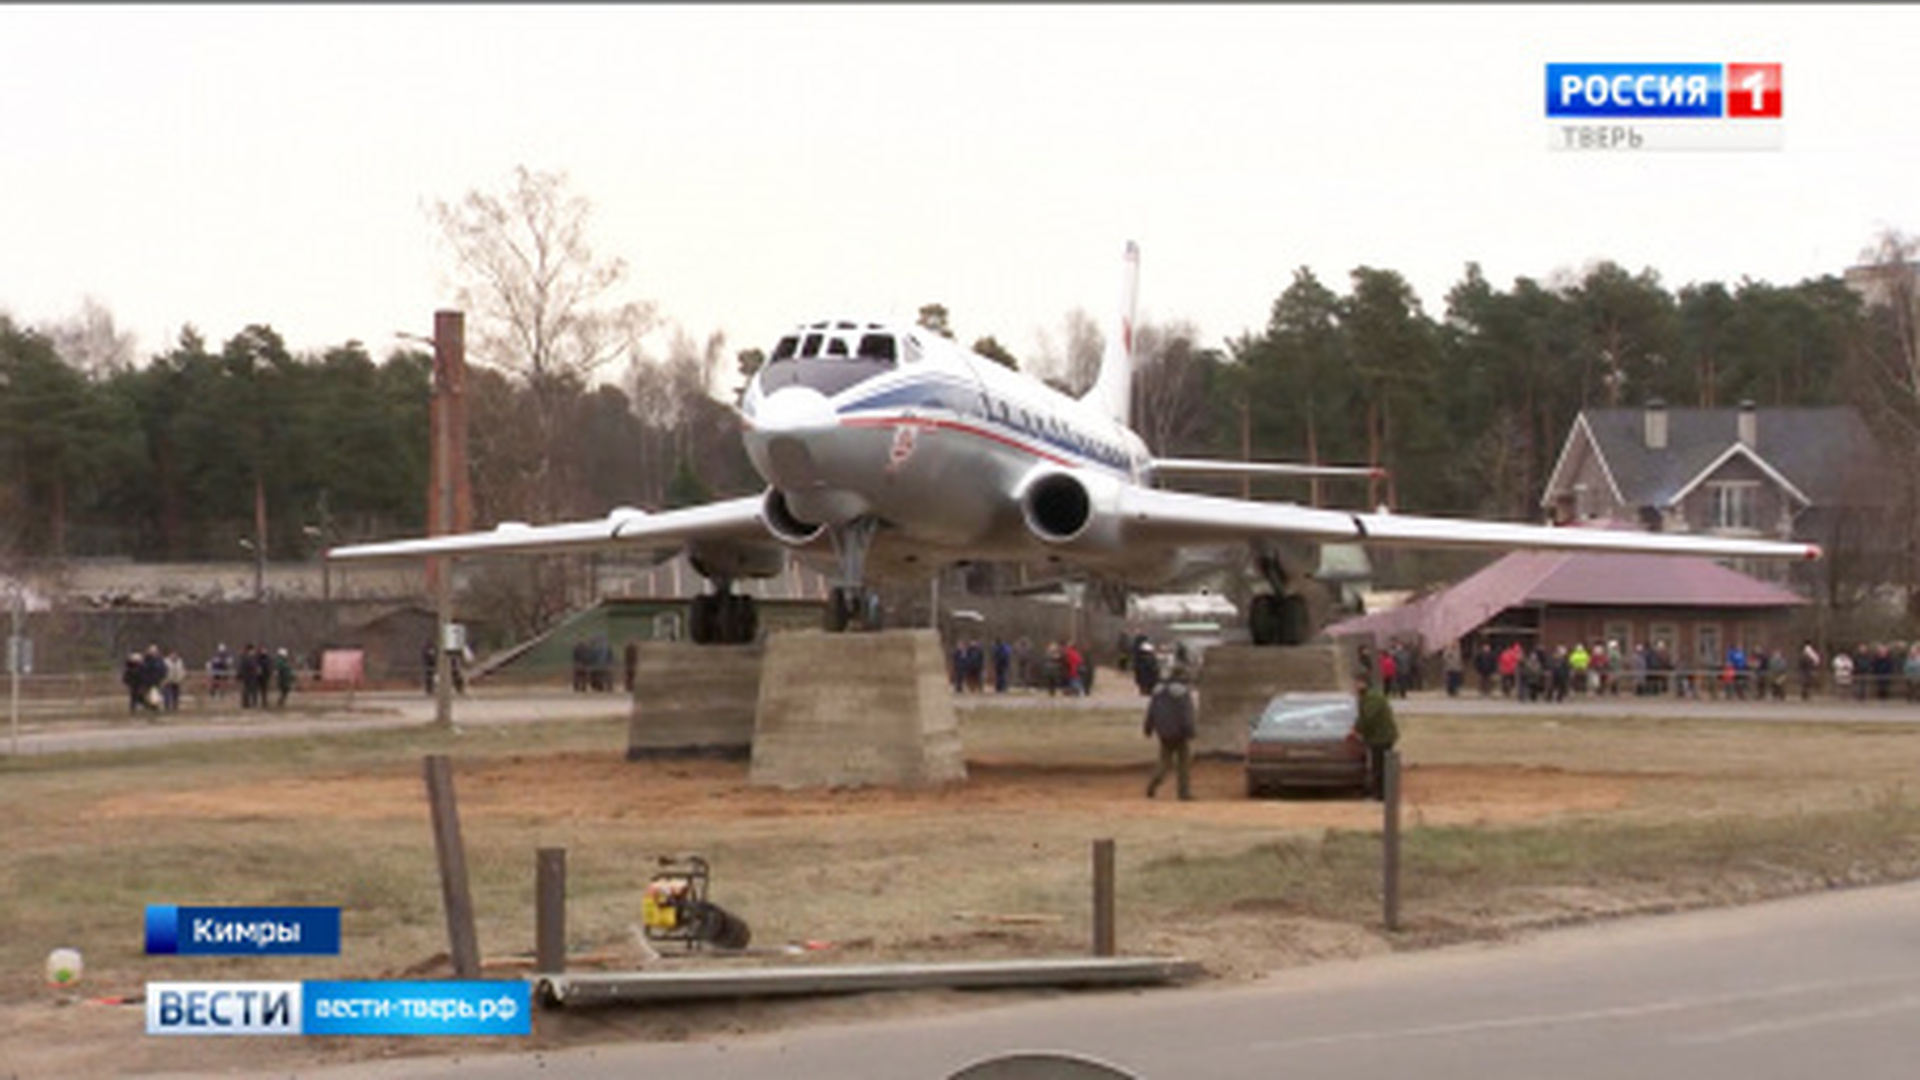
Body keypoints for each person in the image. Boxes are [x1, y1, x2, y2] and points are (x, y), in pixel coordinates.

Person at [1143, 662, 1196, 801]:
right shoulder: (1183, 693)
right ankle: (1183, 792)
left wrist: (1148, 728)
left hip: (1163, 732)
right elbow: (1186, 713)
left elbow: (1151, 712)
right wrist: (1190, 730)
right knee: (1183, 762)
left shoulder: (1158, 691)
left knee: (1164, 761)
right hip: (1180, 732)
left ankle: (1153, 783)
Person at [1355, 675, 1398, 801]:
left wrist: (1357, 729)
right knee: (1377, 766)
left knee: (1379, 767)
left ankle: (1381, 794)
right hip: (1377, 736)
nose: (1355, 687)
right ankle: (1378, 791)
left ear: (1364, 684)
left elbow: (1368, 717)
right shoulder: (1369, 697)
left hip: (1381, 736)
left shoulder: (1373, 698)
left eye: (1357, 683)